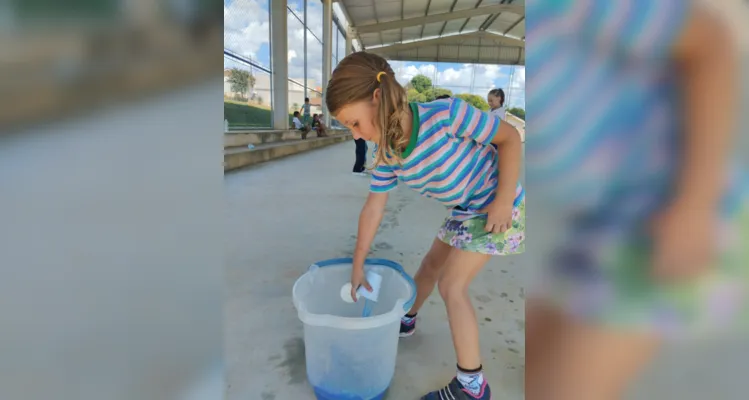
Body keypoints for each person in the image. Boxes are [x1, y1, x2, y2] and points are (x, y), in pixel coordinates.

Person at [525, 2, 747, 400]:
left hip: (667, 208)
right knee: (535, 370)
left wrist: (695, 206)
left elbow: (711, 42)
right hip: (597, 223)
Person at [326, 51, 524, 400]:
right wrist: (357, 266)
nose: (356, 135)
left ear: (377, 99)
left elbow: (509, 138)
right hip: (465, 209)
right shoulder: (388, 154)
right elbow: (373, 208)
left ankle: (472, 385)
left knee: (452, 284)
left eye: (355, 123)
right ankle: (407, 317)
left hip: (499, 205)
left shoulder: (446, 115)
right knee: (430, 265)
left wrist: (503, 200)